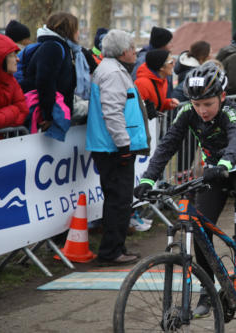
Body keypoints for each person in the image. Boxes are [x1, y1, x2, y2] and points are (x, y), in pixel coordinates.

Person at [133, 62, 236, 316]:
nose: (202, 111)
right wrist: (147, 180)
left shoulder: (231, 110)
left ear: (222, 97)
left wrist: (224, 163)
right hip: (214, 170)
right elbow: (167, 146)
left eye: (208, 104)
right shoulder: (187, 112)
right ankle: (207, 291)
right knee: (199, 225)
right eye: (197, 105)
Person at [85, 29, 151, 265]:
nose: (136, 52)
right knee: (119, 201)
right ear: (125, 52)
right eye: (133, 48)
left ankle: (115, 248)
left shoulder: (113, 69)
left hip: (112, 146)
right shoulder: (113, 72)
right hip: (113, 148)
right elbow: (112, 112)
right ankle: (111, 252)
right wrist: (123, 145)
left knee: (118, 200)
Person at [20, 12, 77, 132]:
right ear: (68, 30)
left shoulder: (61, 46)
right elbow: (45, 81)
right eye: (76, 29)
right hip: (45, 116)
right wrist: (49, 115)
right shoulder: (52, 47)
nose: (78, 33)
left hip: (54, 112)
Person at [0, 34, 29, 129]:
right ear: (0, 59)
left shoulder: (11, 80)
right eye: (12, 55)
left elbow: (24, 112)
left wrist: (3, 120)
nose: (18, 59)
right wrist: (14, 109)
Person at [135, 49, 179, 118]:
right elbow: (137, 111)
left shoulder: (162, 80)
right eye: (171, 62)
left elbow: (156, 103)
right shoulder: (142, 84)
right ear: (161, 67)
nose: (174, 64)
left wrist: (168, 103)